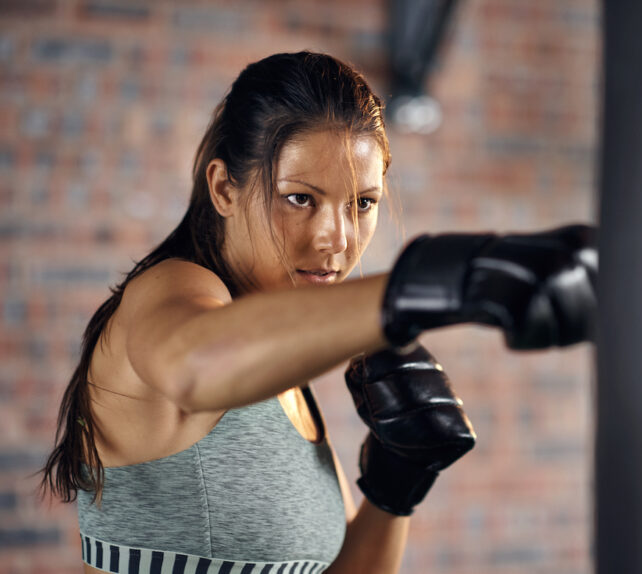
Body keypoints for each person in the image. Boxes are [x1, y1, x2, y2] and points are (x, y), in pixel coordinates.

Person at [40, 51, 597, 573]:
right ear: (224, 189)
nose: (337, 239)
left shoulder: (282, 365)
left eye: (363, 203)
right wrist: (435, 281)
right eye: (300, 198)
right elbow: (193, 365)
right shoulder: (170, 292)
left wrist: (394, 487)